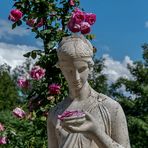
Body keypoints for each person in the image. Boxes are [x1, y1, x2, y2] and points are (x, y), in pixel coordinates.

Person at [47, 34, 131, 148]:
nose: (76, 77)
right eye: (69, 70)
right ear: (61, 68)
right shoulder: (55, 113)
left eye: (81, 69)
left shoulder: (111, 107)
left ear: (90, 67)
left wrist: (95, 132)